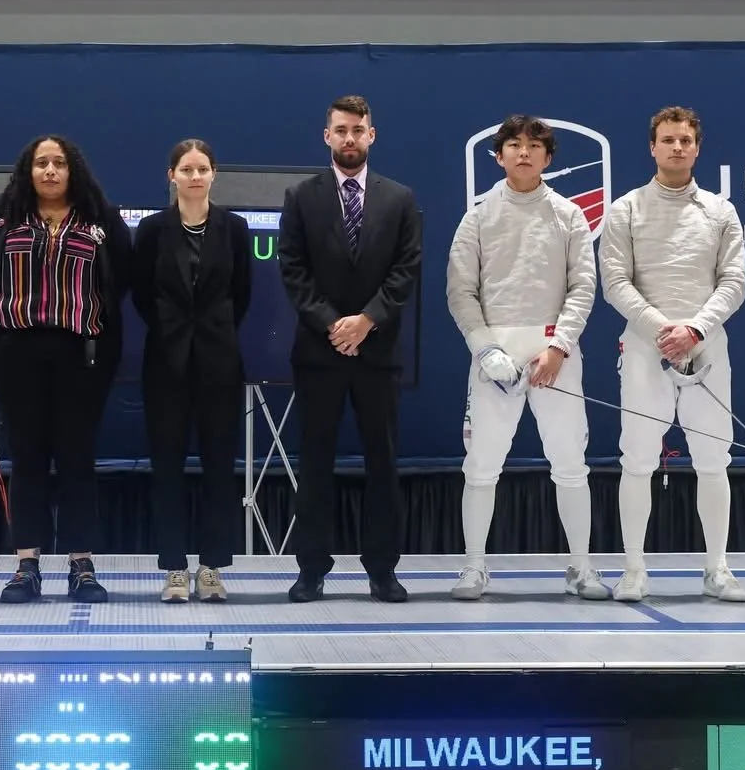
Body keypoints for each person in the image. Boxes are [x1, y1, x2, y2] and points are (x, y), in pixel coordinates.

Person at [446, 115, 604, 601]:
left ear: (548, 157)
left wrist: (558, 348)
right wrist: (486, 348)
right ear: (498, 156)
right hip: (494, 360)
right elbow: (461, 290)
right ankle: (474, 567)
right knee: (482, 466)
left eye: (534, 145)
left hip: (555, 356)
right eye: (513, 145)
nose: (523, 153)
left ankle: (581, 567)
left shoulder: (568, 214)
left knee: (571, 464)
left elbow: (582, 286)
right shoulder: (479, 216)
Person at [0, 136, 132, 603]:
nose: (50, 171)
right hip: (16, 353)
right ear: (29, 169)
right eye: (41, 163)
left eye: (59, 163)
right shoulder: (2, 214)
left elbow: (120, 277)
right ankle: (27, 566)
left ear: (73, 170)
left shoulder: (99, 216)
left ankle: (81, 566)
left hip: (82, 355)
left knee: (78, 459)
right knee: (28, 461)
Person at [276, 95, 423, 603]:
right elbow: (292, 271)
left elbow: (406, 272)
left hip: (378, 354)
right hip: (319, 354)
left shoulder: (399, 198)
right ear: (327, 136)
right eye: (340, 130)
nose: (349, 139)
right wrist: (333, 325)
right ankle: (311, 568)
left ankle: (382, 569)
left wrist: (366, 322)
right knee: (314, 463)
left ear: (372, 135)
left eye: (358, 130)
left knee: (382, 464)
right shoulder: (301, 196)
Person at [602, 106, 745, 604]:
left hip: (706, 347)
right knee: (637, 460)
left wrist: (696, 328)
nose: (677, 147)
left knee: (714, 460)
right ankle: (634, 569)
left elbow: (734, 282)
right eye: (668, 140)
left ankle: (717, 569)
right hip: (646, 348)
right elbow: (615, 282)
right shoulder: (625, 210)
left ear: (697, 147)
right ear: (652, 147)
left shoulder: (720, 211)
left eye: (685, 140)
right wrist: (661, 328)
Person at [130, 139, 253, 603]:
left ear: (214, 174)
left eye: (203, 168)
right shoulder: (152, 230)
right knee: (167, 468)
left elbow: (240, 295)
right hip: (165, 363)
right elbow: (141, 295)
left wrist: (212, 333)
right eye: (186, 169)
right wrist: (174, 331)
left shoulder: (234, 229)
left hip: (220, 363)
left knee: (220, 467)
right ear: (172, 176)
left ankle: (212, 569)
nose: (195, 176)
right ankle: (175, 569)